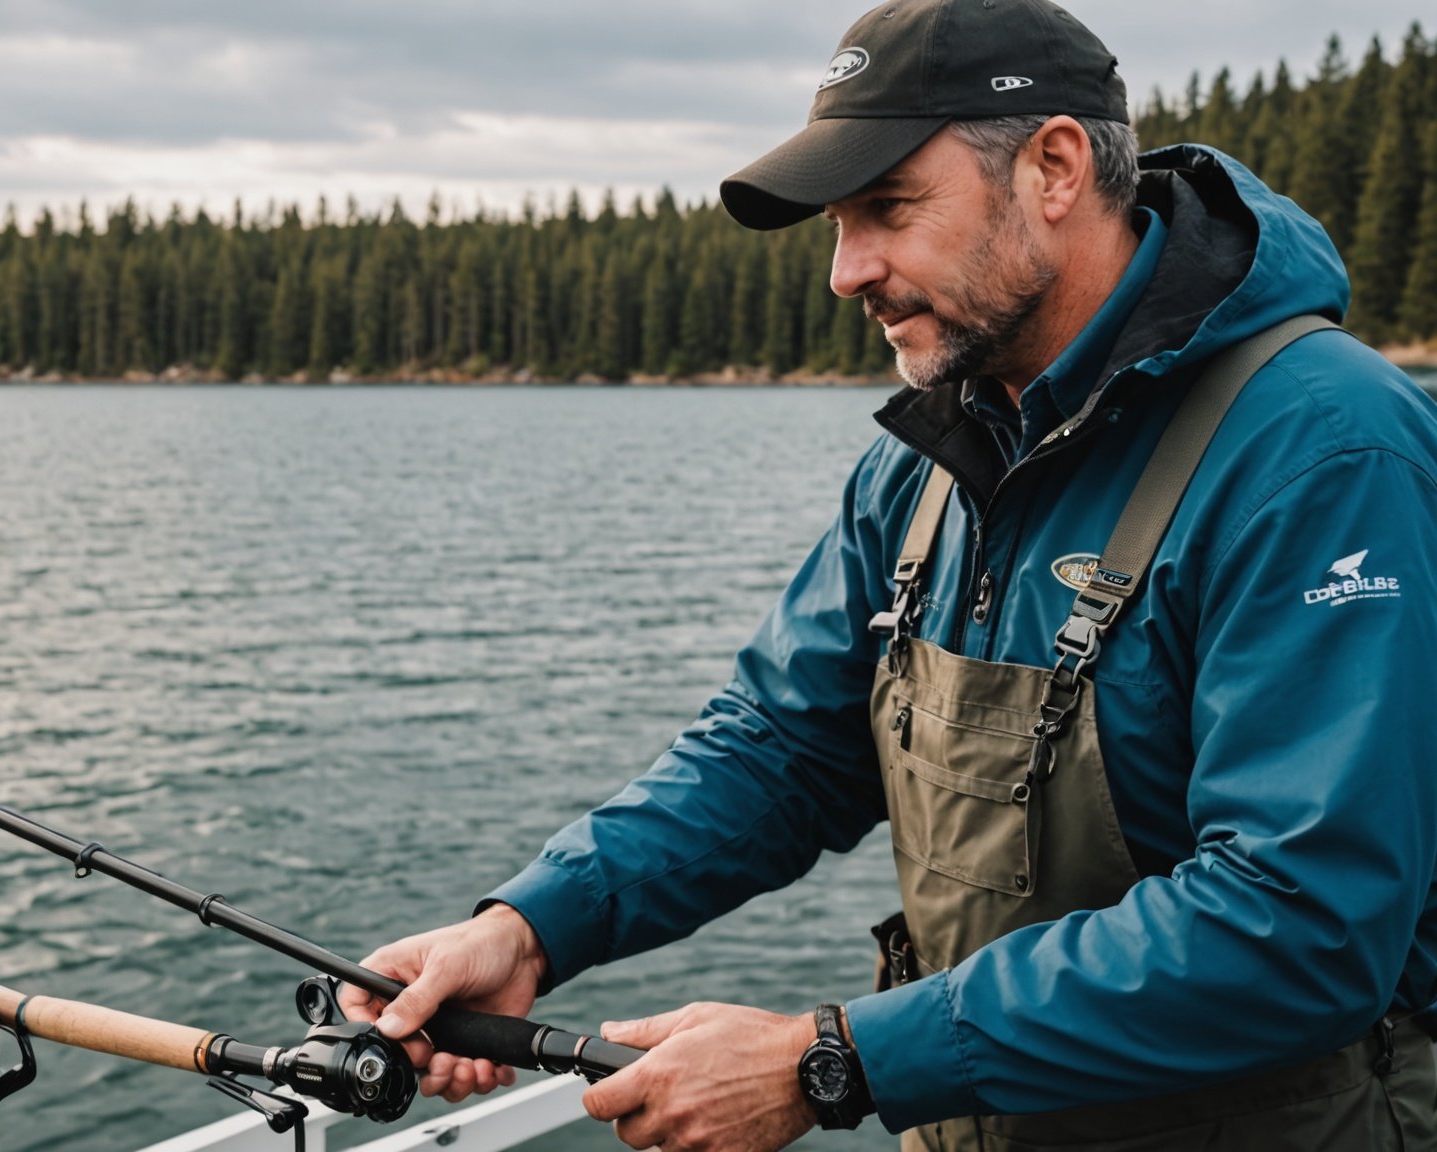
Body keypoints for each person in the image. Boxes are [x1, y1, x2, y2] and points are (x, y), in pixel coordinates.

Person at [338, 1, 1437, 1149]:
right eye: (836, 223)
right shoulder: (921, 463)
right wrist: (530, 927)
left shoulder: (1324, 448)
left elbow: (1301, 922)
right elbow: (783, 749)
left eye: (888, 211)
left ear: (1055, 168)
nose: (845, 270)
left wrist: (833, 1063)